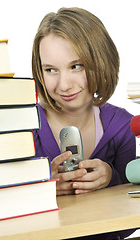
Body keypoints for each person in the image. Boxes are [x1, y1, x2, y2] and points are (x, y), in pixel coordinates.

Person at [32, 7, 136, 239]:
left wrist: (111, 178)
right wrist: (41, 190)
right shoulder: (23, 129)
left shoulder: (121, 126)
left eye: (76, 66)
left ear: (101, 62)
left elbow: (128, 225)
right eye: (51, 70)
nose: (65, 85)